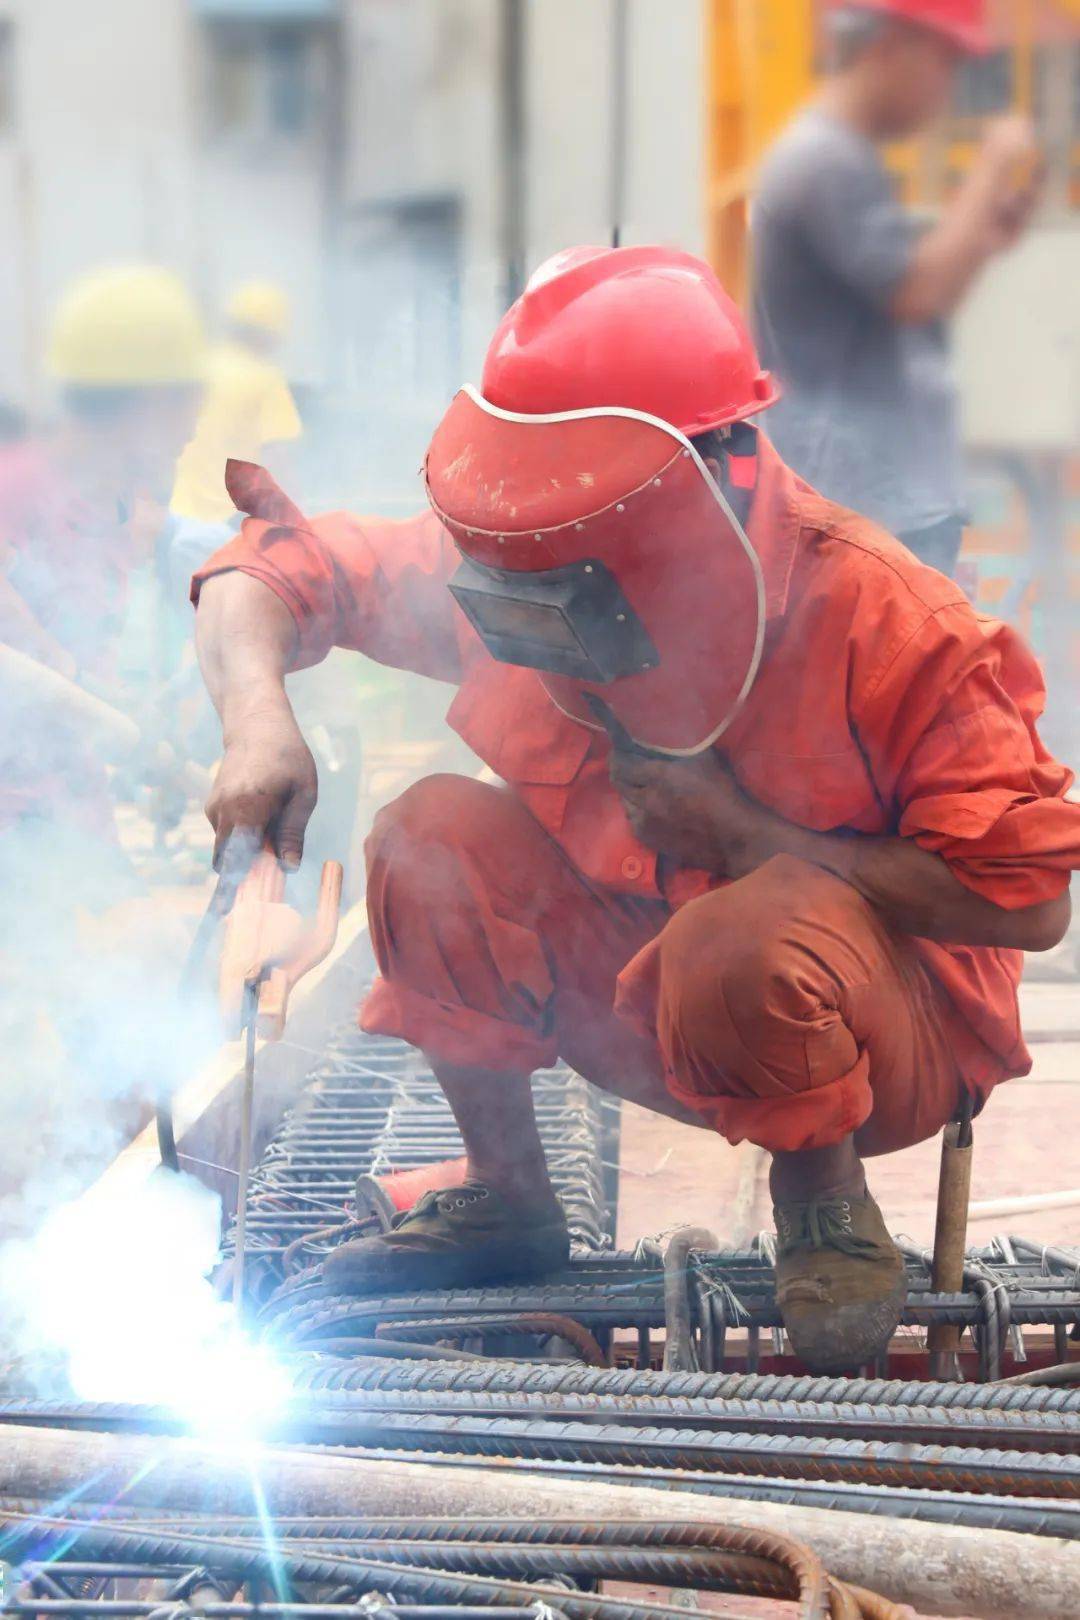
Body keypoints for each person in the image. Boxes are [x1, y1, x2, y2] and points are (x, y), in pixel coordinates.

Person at [192, 245, 1080, 1372]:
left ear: (706, 485)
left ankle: (825, 1211)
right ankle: (508, 1197)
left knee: (737, 933)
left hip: (879, 1038)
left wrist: (749, 839)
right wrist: (257, 718)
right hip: (644, 1007)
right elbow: (279, 567)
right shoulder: (531, 555)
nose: (548, 597)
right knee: (426, 839)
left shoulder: (888, 620)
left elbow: (1029, 901)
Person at [751, 0, 1042, 577]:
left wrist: (981, 235)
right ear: (891, 45)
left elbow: (916, 294)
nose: (948, 88)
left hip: (882, 504)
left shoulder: (843, 159)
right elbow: (914, 292)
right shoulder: (823, 161)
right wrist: (989, 169)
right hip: (861, 511)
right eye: (945, 63)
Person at [171, 279, 302, 528]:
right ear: (272, 335)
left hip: (174, 517)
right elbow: (277, 458)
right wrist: (297, 522)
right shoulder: (265, 378)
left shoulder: (200, 367)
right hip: (226, 522)